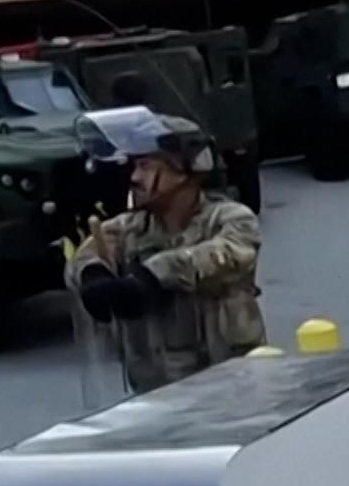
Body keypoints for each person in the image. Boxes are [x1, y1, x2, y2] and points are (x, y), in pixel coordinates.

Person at [66, 109, 265, 394]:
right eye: (134, 166)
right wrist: (92, 274)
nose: (134, 177)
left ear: (184, 169)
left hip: (230, 386)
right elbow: (87, 255)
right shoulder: (131, 227)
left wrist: (153, 275)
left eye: (146, 166)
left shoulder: (230, 218)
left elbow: (229, 254)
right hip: (156, 391)